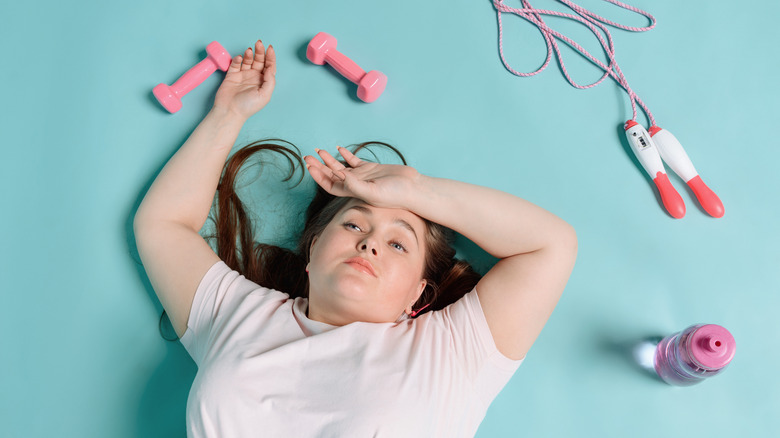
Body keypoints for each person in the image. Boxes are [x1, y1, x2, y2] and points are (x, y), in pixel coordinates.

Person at [134, 39, 577, 438]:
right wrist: (229, 113)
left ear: (418, 294)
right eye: (352, 225)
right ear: (312, 252)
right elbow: (162, 225)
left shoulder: (451, 353)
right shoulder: (239, 317)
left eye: (399, 244)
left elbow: (548, 245)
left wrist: (414, 189)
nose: (369, 244)